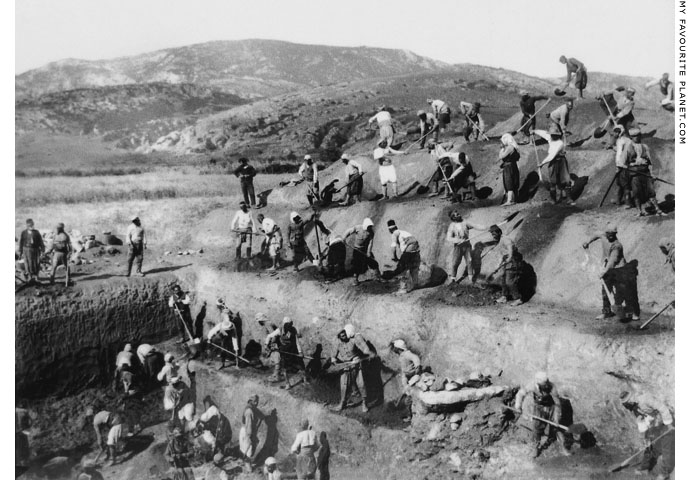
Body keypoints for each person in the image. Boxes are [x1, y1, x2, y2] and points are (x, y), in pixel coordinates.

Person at [582, 223, 640, 321]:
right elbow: (596, 234)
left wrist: (603, 272)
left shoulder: (617, 245)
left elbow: (612, 262)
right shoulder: (603, 235)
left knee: (626, 291)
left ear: (615, 233)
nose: (611, 236)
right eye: (609, 234)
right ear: (606, 232)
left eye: (613, 234)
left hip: (619, 269)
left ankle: (634, 313)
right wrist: (588, 242)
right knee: (605, 291)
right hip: (608, 268)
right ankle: (607, 312)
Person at [515, 372, 571, 458]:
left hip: (551, 406)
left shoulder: (551, 386)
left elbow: (557, 403)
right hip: (539, 407)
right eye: (543, 384)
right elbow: (520, 394)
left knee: (557, 427)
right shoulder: (532, 385)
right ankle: (535, 448)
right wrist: (518, 406)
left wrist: (557, 418)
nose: (546, 386)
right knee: (537, 428)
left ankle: (564, 447)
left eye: (546, 384)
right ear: (537, 382)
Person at [620, 390, 674, 479]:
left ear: (631, 399)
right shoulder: (633, 406)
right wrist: (646, 435)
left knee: (667, 448)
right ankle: (645, 468)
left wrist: (669, 424)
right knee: (648, 447)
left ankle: (665, 473)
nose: (627, 405)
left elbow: (662, 408)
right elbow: (641, 419)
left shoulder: (645, 398)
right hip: (653, 425)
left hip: (664, 423)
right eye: (625, 403)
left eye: (627, 402)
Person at [330, 324, 374, 413]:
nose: (344, 336)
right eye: (341, 336)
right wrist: (335, 362)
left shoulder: (353, 341)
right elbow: (333, 356)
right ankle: (342, 403)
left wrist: (365, 355)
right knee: (344, 385)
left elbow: (364, 349)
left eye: (344, 334)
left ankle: (364, 403)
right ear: (339, 337)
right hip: (345, 366)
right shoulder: (337, 344)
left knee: (361, 384)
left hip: (356, 365)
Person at [533, 125, 576, 205]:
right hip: (553, 162)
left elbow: (552, 155)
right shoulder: (550, 138)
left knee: (566, 180)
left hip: (561, 161)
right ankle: (554, 200)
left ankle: (569, 199)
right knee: (553, 181)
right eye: (551, 135)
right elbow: (544, 133)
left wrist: (542, 163)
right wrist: (534, 131)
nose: (551, 136)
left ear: (557, 135)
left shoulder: (560, 143)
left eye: (553, 135)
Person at [628, 128, 666, 216]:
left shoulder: (644, 146)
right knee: (636, 192)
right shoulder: (627, 148)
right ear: (631, 137)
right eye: (633, 136)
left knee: (651, 191)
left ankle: (658, 209)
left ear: (640, 136)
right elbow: (623, 162)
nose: (636, 138)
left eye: (637, 136)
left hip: (645, 171)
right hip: (634, 173)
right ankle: (639, 211)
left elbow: (650, 162)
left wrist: (652, 173)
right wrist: (630, 166)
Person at [445, 211, 486, 284]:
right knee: (455, 263)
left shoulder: (465, 222)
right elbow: (448, 238)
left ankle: (471, 281)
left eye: (458, 213)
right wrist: (458, 240)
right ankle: (453, 280)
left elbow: (475, 226)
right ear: (453, 218)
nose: (459, 215)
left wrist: (485, 227)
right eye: (457, 215)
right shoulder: (452, 226)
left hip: (467, 246)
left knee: (469, 262)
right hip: (458, 247)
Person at [490, 225, 524, 306]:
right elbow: (503, 255)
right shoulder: (500, 241)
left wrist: (510, 257)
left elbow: (510, 249)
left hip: (513, 261)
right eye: (492, 234)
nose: (493, 236)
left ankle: (518, 298)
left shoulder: (505, 239)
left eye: (494, 234)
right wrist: (498, 266)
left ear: (499, 232)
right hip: (507, 261)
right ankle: (504, 296)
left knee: (509, 281)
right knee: (503, 280)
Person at [343, 218, 380, 285]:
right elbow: (348, 231)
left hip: (365, 250)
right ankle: (355, 279)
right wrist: (344, 238)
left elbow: (370, 243)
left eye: (370, 226)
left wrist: (369, 252)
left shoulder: (371, 232)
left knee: (373, 262)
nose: (369, 227)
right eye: (368, 226)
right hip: (357, 250)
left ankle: (377, 276)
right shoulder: (358, 228)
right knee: (357, 264)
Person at [388, 220, 421, 293]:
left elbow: (393, 246)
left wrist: (394, 257)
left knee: (402, 269)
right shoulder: (403, 232)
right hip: (416, 250)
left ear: (390, 229)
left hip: (409, 250)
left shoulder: (394, 233)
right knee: (414, 268)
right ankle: (416, 285)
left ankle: (403, 288)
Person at [207, 302, 240, 369]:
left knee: (224, 348)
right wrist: (209, 339)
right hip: (219, 336)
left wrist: (236, 349)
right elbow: (211, 332)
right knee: (214, 346)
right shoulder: (220, 325)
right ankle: (210, 358)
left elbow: (234, 338)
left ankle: (222, 362)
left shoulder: (232, 327)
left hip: (226, 338)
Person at [610, 124, 634, 208]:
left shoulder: (626, 140)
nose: (614, 134)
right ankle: (618, 200)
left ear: (619, 132)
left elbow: (626, 152)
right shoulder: (620, 140)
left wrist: (622, 164)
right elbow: (619, 150)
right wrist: (614, 148)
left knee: (625, 184)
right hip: (619, 164)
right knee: (620, 183)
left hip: (624, 165)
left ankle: (628, 202)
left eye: (616, 132)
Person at [239, 395, 263, 473]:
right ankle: (248, 466)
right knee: (249, 448)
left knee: (248, 447)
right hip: (247, 431)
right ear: (252, 401)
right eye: (255, 401)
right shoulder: (249, 411)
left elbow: (260, 415)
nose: (257, 403)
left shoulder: (252, 408)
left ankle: (246, 462)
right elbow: (248, 425)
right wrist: (249, 436)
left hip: (247, 430)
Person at [18, 218, 45, 283]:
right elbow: (21, 242)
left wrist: (42, 249)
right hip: (26, 249)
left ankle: (36, 277)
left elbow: (40, 241)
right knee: (28, 263)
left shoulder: (36, 232)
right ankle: (30, 276)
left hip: (35, 249)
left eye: (32, 224)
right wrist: (20, 251)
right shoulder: (24, 233)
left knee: (36, 262)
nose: (31, 226)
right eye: (29, 225)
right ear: (27, 225)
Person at [499, 133, 520, 206]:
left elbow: (502, 156)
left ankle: (509, 200)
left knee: (509, 182)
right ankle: (516, 199)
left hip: (508, 167)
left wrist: (502, 149)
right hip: (513, 165)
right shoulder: (514, 147)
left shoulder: (510, 148)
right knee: (514, 181)